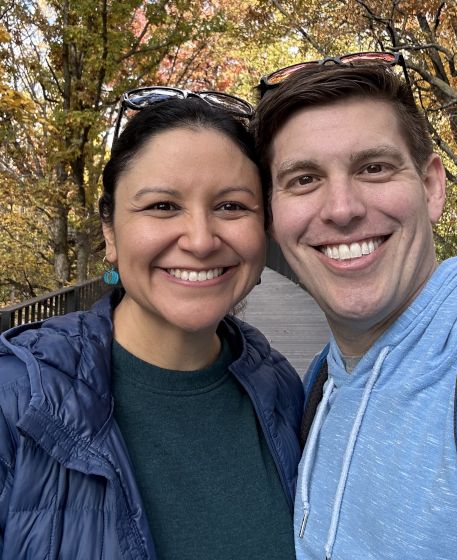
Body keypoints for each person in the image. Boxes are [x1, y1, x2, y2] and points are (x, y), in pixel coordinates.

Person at [251, 55, 457, 559]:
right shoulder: (319, 385)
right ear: (272, 216)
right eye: (304, 179)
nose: (342, 209)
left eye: (373, 168)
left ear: (432, 186)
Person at [0, 87, 303, 559]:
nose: (200, 240)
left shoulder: (282, 389)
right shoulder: (16, 398)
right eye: (163, 206)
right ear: (110, 231)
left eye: (231, 206)